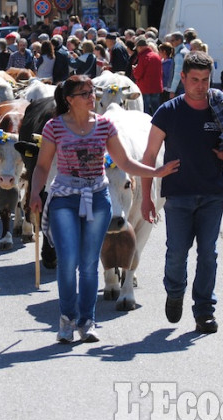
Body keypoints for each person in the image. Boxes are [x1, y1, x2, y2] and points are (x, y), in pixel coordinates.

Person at [29, 75, 178, 343]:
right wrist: (35, 192)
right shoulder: (54, 127)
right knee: (67, 264)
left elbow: (125, 162)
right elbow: (42, 166)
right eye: (84, 93)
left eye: (91, 92)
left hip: (98, 197)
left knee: (88, 265)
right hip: (65, 198)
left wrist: (155, 171)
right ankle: (66, 319)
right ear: (69, 100)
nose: (91, 97)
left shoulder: (104, 126)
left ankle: (87, 321)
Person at [140, 52, 223, 334]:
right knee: (176, 253)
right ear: (183, 78)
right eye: (195, 79)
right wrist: (146, 196)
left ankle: (204, 311)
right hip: (178, 195)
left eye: (206, 80)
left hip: (213, 192)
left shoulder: (219, 105)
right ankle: (175, 293)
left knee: (208, 254)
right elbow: (149, 155)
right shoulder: (168, 111)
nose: (201, 86)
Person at [132, 38, 164, 115]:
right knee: (156, 109)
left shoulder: (144, 57)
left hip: (145, 88)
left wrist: (134, 69)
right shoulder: (156, 56)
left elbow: (138, 75)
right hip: (156, 87)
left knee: (145, 110)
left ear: (140, 47)